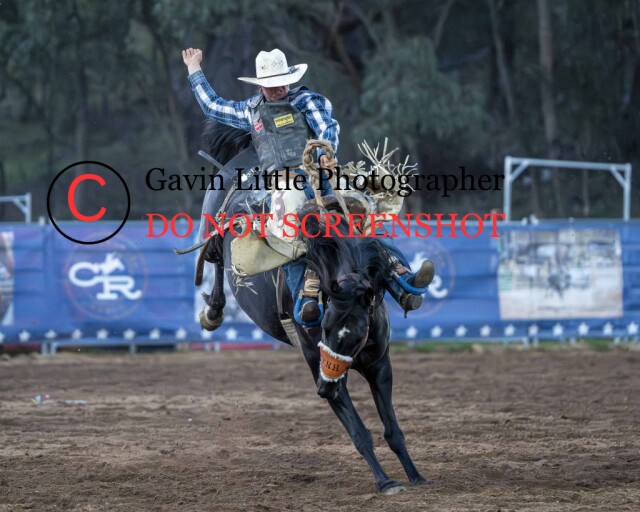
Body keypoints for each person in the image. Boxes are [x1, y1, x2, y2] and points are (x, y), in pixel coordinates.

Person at [182, 47, 433, 325]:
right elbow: (213, 106)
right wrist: (194, 68)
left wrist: (325, 152)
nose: (278, 88)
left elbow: (327, 127)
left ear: (289, 79)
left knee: (362, 213)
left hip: (320, 174)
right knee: (287, 234)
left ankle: (402, 281)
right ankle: (305, 297)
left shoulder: (306, 100)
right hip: (281, 184)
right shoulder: (250, 110)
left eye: (282, 82)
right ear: (261, 85)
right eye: (272, 83)